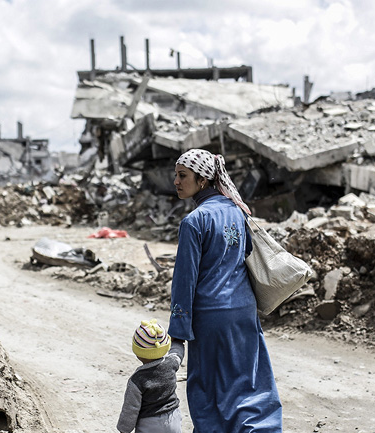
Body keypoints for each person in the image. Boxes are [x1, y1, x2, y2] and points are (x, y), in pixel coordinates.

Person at [168, 149, 282, 432]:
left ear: (203, 179)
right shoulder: (238, 210)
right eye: (176, 176)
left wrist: (178, 334)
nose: (176, 182)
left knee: (208, 386)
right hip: (243, 311)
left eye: (182, 176)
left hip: (210, 316)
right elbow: (244, 256)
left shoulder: (194, 222)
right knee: (248, 381)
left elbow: (185, 280)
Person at [117, 319, 185, 433]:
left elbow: (131, 409)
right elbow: (177, 353)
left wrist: (124, 429)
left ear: (138, 353)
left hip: (149, 425)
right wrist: (178, 341)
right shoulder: (171, 363)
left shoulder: (137, 380)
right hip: (173, 419)